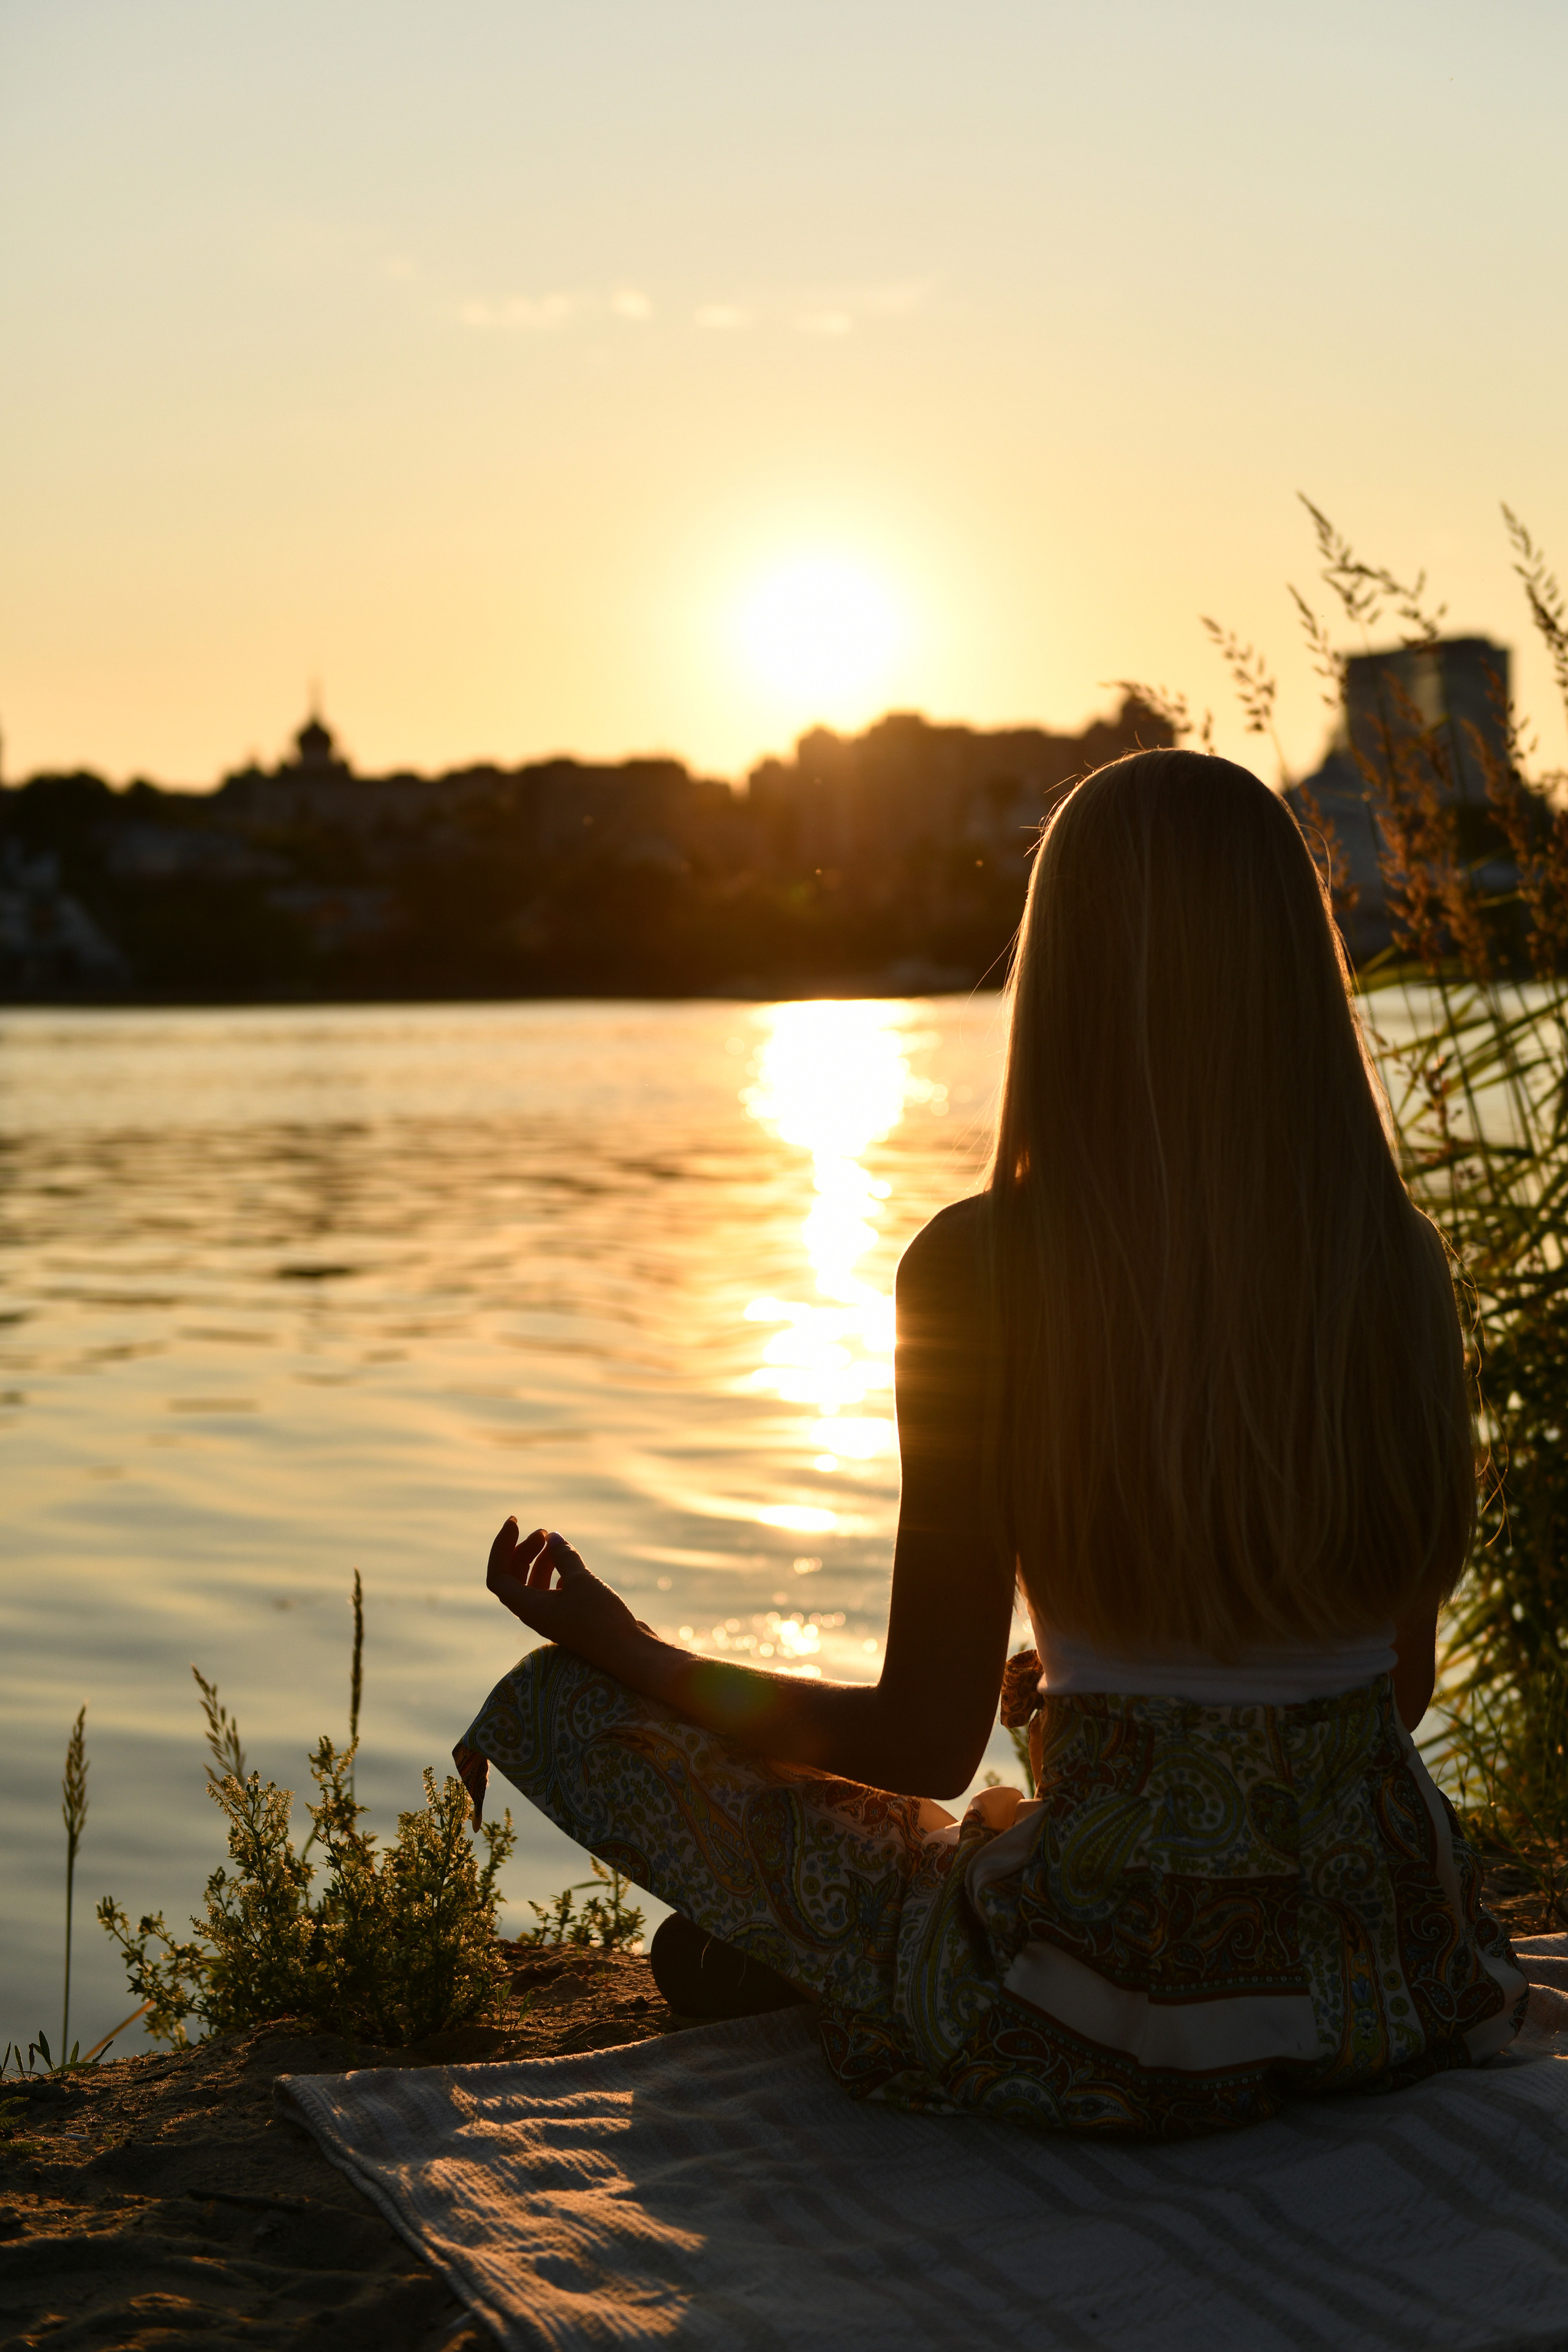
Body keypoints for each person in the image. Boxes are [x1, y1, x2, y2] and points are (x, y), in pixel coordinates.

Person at [455, 748, 1526, 2136]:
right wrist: (1088, 1703)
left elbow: (916, 1741)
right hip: (1391, 1969)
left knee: (566, 1709)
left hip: (1112, 1993)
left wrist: (629, 1650)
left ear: (1064, 973)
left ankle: (837, 1968)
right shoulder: (1394, 1262)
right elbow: (1387, 1693)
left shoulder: (979, 1269)